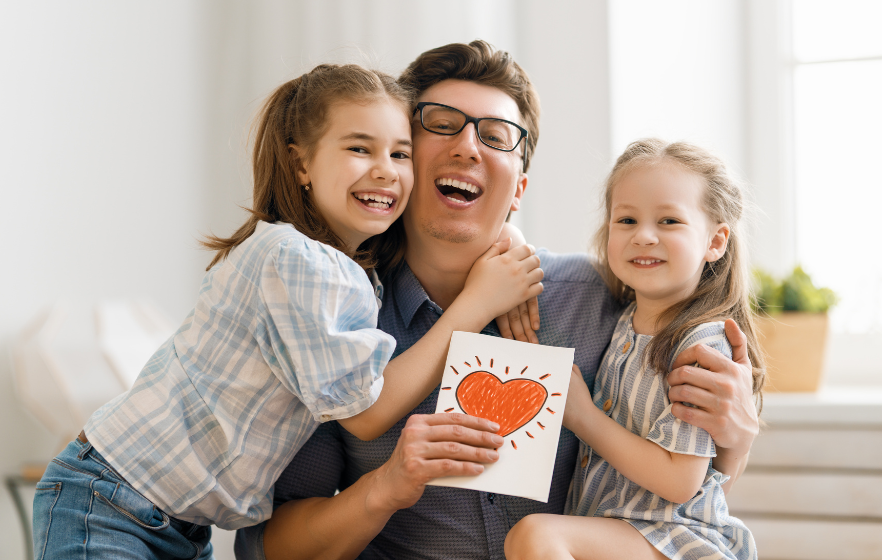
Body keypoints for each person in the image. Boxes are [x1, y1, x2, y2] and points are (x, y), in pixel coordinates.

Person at [235, 41, 760, 560]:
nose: (467, 147)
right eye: (441, 123)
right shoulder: (334, 320)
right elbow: (268, 546)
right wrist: (386, 486)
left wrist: (737, 437)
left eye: (496, 135)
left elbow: (670, 511)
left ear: (519, 190)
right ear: (402, 161)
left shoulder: (601, 299)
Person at [30, 63, 545, 559]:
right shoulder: (295, 261)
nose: (385, 171)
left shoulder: (351, 270)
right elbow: (366, 411)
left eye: (400, 154)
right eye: (359, 149)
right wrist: (478, 303)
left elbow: (455, 220)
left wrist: (503, 234)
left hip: (178, 522)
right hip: (112, 499)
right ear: (301, 164)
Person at [503, 139, 764, 560]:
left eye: (669, 221)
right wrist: (511, 234)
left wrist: (582, 416)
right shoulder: (624, 318)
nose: (643, 236)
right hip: (617, 533)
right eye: (626, 220)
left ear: (715, 242)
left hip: (674, 540)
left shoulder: (701, 346)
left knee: (536, 536)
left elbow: (682, 483)